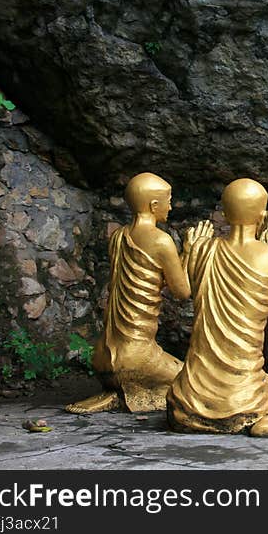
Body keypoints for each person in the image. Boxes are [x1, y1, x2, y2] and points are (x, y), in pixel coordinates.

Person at [167, 179, 268, 437]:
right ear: (263, 216)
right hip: (245, 395)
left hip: (188, 398)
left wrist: (189, 251)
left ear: (224, 213)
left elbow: (183, 292)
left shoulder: (203, 249)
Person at [66, 172, 190, 414]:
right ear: (154, 206)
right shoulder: (160, 240)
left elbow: (147, 282)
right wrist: (190, 252)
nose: (171, 206)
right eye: (169, 200)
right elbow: (182, 291)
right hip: (137, 356)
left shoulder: (118, 237)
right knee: (195, 382)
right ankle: (133, 390)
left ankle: (119, 392)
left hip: (103, 355)